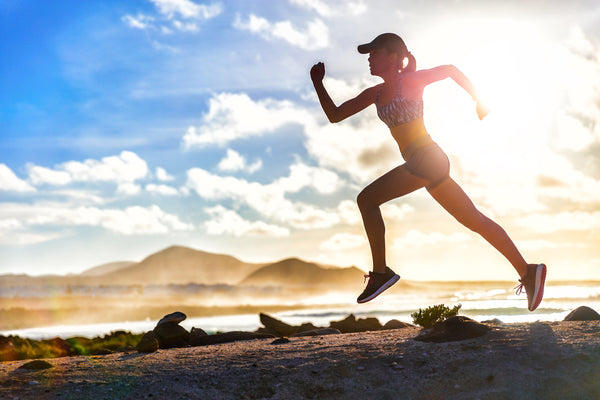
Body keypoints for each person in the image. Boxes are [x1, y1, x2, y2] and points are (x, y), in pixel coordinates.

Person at [310, 33, 546, 311]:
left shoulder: (412, 80)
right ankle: (528, 271)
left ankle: (381, 273)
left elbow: (449, 71)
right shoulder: (373, 94)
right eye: (368, 55)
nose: (370, 59)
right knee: (475, 220)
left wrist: (479, 99)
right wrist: (318, 83)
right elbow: (335, 115)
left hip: (427, 159)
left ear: (394, 56)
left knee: (367, 199)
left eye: (375, 53)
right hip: (425, 164)